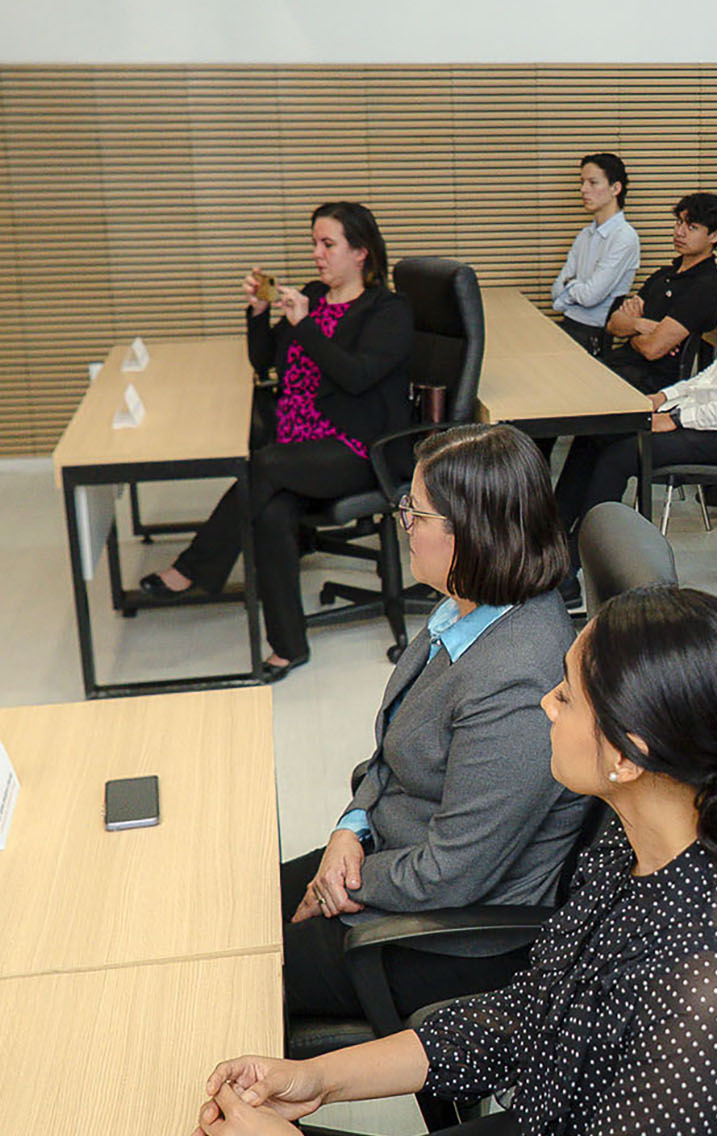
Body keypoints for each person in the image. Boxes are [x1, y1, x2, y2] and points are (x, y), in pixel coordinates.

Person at [192, 586, 717, 1136]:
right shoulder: (638, 845)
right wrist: (315, 1079)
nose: (545, 703)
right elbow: (521, 1018)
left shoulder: (713, 990)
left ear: (627, 756)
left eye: (567, 696)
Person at [280, 423, 587, 1024]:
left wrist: (346, 882)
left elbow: (453, 873)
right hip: (389, 858)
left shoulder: (519, 679)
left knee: (235, 973)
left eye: (414, 514)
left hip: (442, 935)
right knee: (231, 907)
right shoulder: (466, 608)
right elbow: (391, 750)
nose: (405, 527)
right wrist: (350, 827)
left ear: (469, 533)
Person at [140, 201, 412, 682]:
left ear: (361, 253)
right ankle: (289, 646)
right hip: (299, 446)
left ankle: (193, 569)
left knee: (262, 466)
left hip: (358, 449)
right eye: (314, 243)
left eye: (328, 244)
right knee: (269, 511)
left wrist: (304, 324)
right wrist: (260, 314)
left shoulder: (387, 311)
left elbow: (355, 376)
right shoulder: (311, 296)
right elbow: (264, 361)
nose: (317, 255)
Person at [553, 214, 717, 593]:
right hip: (706, 417)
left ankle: (576, 568)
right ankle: (551, 547)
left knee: (620, 454)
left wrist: (677, 419)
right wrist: (666, 397)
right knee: (596, 435)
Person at [600, 191, 717, 396]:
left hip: (648, 382)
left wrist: (633, 330)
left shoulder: (704, 287)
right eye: (679, 223)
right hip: (620, 366)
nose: (680, 232)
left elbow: (652, 350)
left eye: (692, 227)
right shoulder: (665, 274)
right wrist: (640, 325)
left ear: (715, 235)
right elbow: (613, 325)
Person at [549, 152, 640, 354]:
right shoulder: (585, 234)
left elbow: (591, 296)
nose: (583, 190)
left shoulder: (624, 237)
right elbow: (555, 291)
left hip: (592, 336)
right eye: (582, 182)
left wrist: (569, 285)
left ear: (615, 188)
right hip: (569, 325)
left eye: (592, 183)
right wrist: (575, 289)